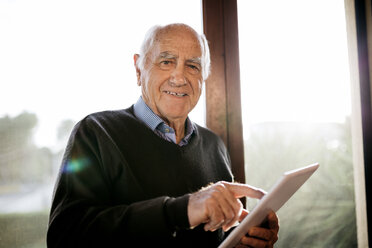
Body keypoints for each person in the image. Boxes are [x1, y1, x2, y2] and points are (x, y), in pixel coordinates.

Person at [47, 23, 279, 248]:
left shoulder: (213, 145)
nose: (179, 78)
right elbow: (65, 237)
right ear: (139, 69)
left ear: (203, 77)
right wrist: (181, 210)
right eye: (166, 62)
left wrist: (244, 242)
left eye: (192, 66)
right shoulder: (96, 132)